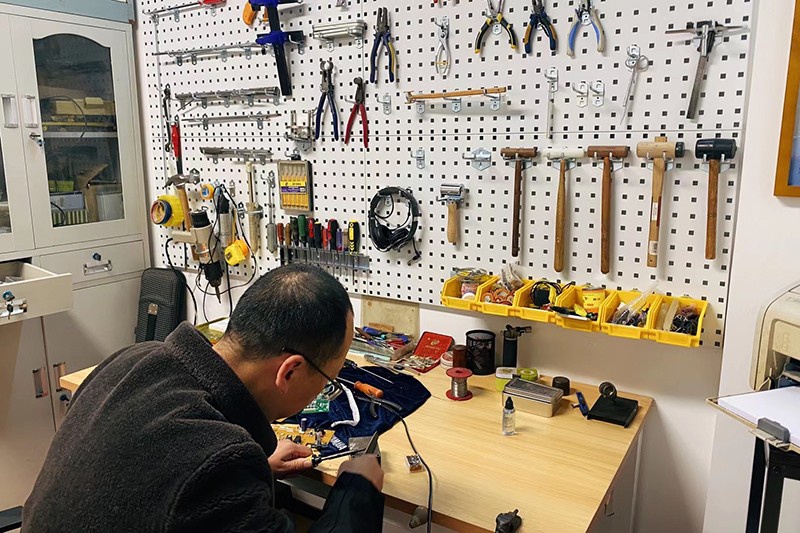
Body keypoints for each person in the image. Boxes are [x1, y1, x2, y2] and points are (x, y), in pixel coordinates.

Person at [23, 264, 385, 532]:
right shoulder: (219, 462)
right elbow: (198, 467)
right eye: (327, 380)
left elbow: (153, 469)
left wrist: (254, 465)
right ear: (289, 372)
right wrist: (357, 491)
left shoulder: (133, 359)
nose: (325, 390)